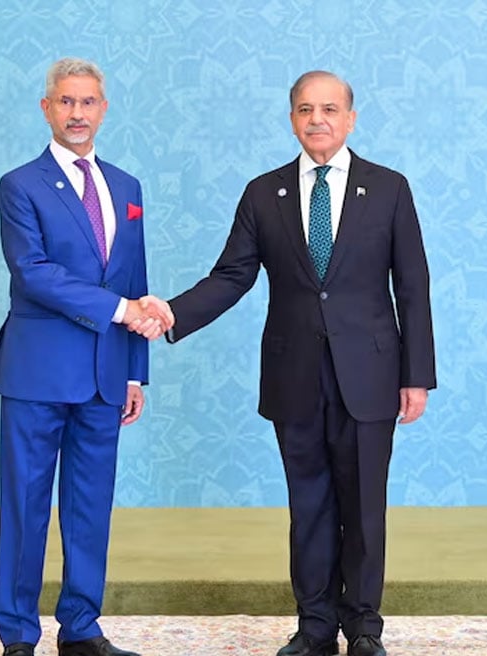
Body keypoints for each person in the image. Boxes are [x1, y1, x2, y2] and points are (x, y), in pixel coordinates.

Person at [150, 70, 436, 656]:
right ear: (291, 120)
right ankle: (313, 627)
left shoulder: (389, 189)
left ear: (351, 118)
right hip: (296, 374)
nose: (318, 119)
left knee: (363, 508)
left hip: (372, 376)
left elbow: (413, 286)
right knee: (308, 505)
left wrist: (417, 374)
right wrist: (171, 313)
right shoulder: (265, 193)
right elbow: (232, 275)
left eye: (330, 109)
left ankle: (363, 628)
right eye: (306, 109)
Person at [0, 56, 171, 656]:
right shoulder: (20, 185)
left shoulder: (126, 187)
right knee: (26, 507)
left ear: (103, 109)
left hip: (106, 374)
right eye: (66, 102)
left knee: (91, 506)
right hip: (38, 371)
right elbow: (34, 273)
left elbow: (135, 278)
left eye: (87, 102)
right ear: (47, 108)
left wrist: (137, 371)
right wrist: (120, 312)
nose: (77, 113)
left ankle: (82, 629)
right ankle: (17, 634)